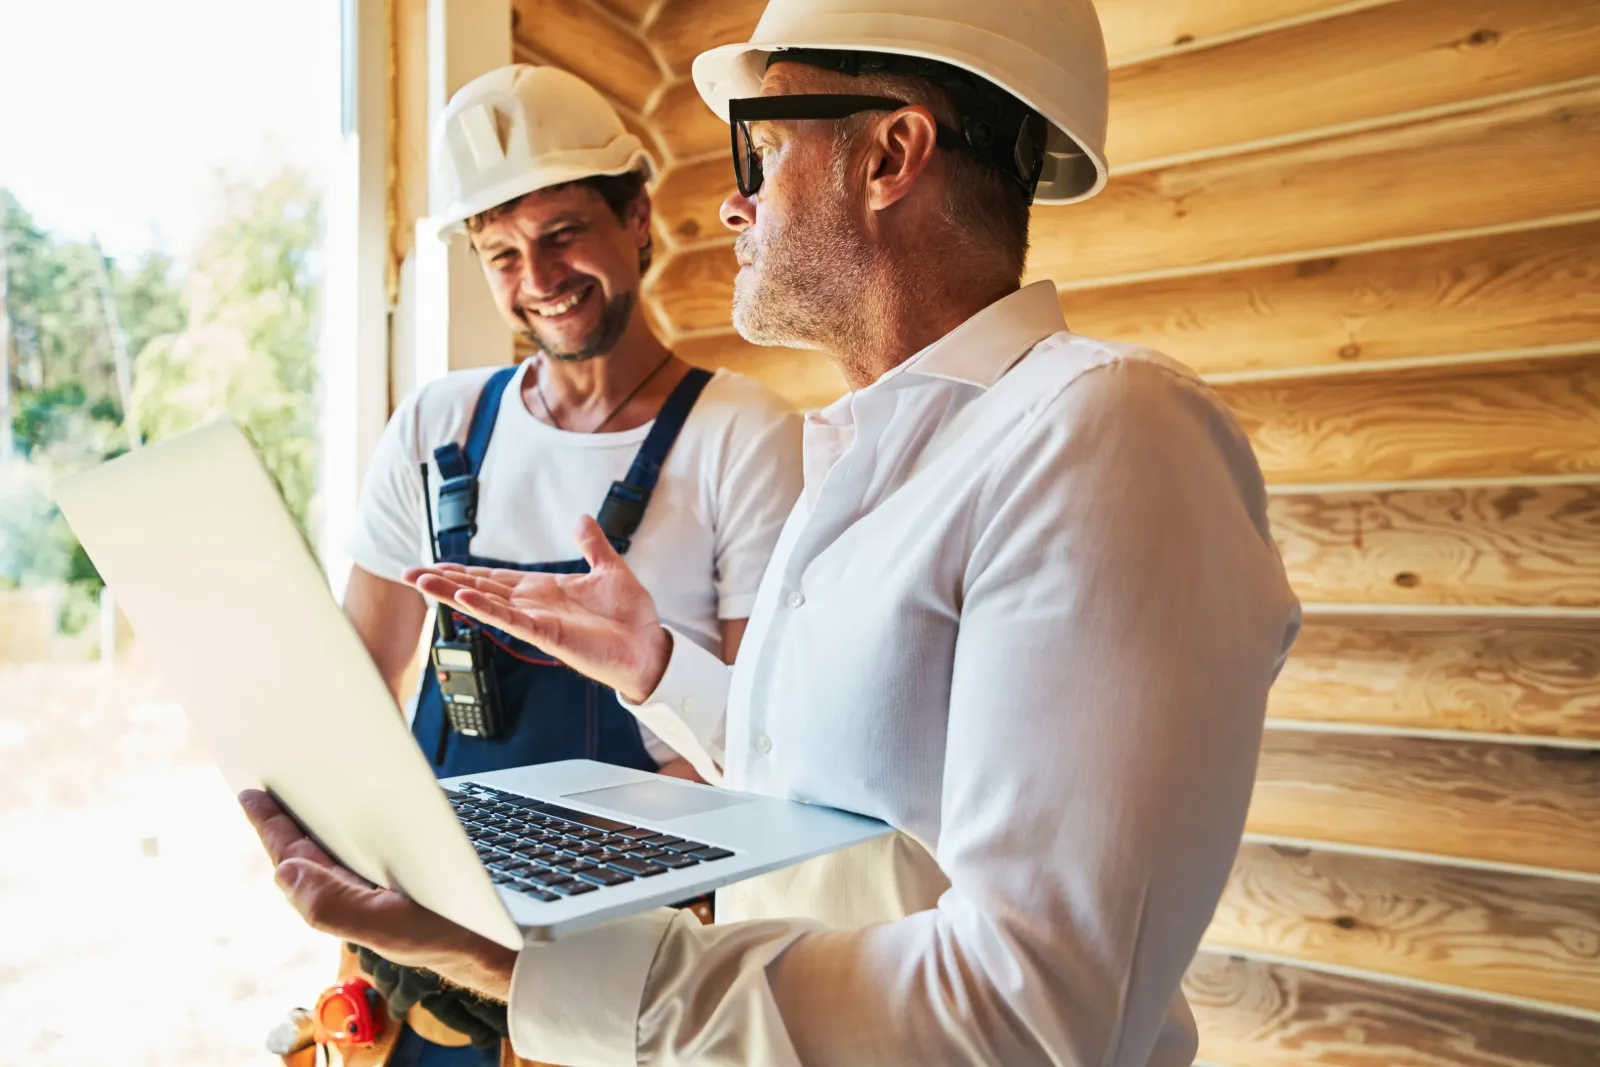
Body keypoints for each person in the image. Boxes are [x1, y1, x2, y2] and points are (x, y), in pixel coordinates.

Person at [245, 2, 1302, 1064]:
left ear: (889, 153)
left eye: (759, 143)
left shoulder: (1106, 432)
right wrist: (654, 667)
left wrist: (530, 974)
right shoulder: (874, 454)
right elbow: (848, 798)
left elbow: (1027, 1012)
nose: (732, 200)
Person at [335, 63, 801, 1063]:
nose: (536, 280)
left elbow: (765, 751)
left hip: (637, 961)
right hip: (440, 935)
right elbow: (356, 679)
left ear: (638, 216)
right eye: (500, 252)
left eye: (560, 235)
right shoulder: (436, 425)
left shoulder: (740, 434)